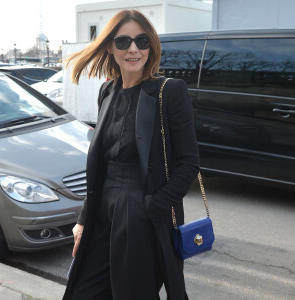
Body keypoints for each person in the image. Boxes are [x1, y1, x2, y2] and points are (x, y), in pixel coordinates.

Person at [62, 9, 200, 300]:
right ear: (110, 47)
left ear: (152, 46)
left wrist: (153, 206)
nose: (134, 49)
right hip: (102, 208)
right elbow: (100, 167)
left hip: (140, 211)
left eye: (142, 40)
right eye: (123, 41)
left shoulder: (168, 91)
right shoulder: (107, 91)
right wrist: (83, 219)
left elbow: (188, 163)